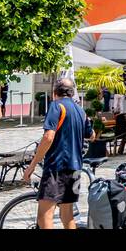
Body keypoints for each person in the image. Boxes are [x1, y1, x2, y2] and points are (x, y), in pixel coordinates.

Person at [22, 78, 94, 230]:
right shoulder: (80, 111)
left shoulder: (56, 106)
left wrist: (32, 165)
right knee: (67, 215)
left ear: (54, 93)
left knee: (44, 216)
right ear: (72, 92)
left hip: (57, 167)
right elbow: (92, 135)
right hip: (75, 168)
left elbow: (48, 137)